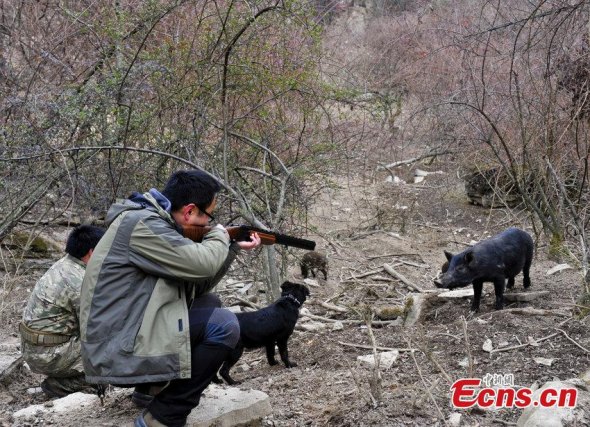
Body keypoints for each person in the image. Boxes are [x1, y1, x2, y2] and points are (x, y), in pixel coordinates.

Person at [79, 170, 261, 427]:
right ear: (189, 212)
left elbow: (198, 283)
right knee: (224, 325)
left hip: (124, 334)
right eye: (208, 216)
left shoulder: (153, 221)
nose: (209, 223)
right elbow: (202, 264)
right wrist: (220, 234)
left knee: (210, 304)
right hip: (115, 350)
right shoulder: (144, 225)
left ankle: (152, 390)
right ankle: (163, 417)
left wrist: (229, 249)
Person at [20, 225, 105, 397]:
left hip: (36, 350)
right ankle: (63, 385)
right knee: (115, 356)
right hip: (50, 355)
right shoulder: (81, 280)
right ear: (92, 252)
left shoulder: (65, 264)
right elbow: (97, 329)